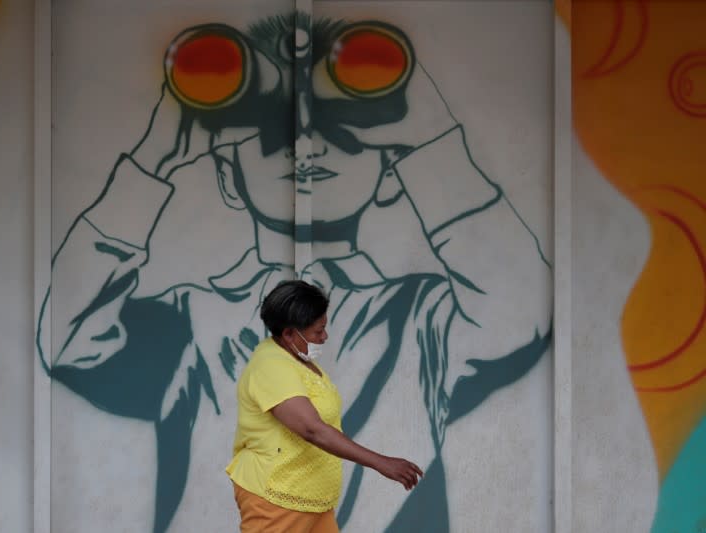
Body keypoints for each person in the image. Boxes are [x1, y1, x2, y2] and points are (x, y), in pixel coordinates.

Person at [38, 11, 551, 532]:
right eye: (266, 129)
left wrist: (433, 138)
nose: (306, 143)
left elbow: (518, 314)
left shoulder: (420, 313)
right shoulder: (197, 316)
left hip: (315, 507)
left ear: (394, 174)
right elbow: (67, 340)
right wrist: (153, 162)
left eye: (345, 130)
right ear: (227, 176)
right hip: (278, 509)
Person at [227, 280, 423, 532]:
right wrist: (380, 462)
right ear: (288, 334)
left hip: (312, 498)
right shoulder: (271, 366)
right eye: (318, 331)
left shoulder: (296, 359)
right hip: (276, 498)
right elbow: (312, 429)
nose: (324, 336)